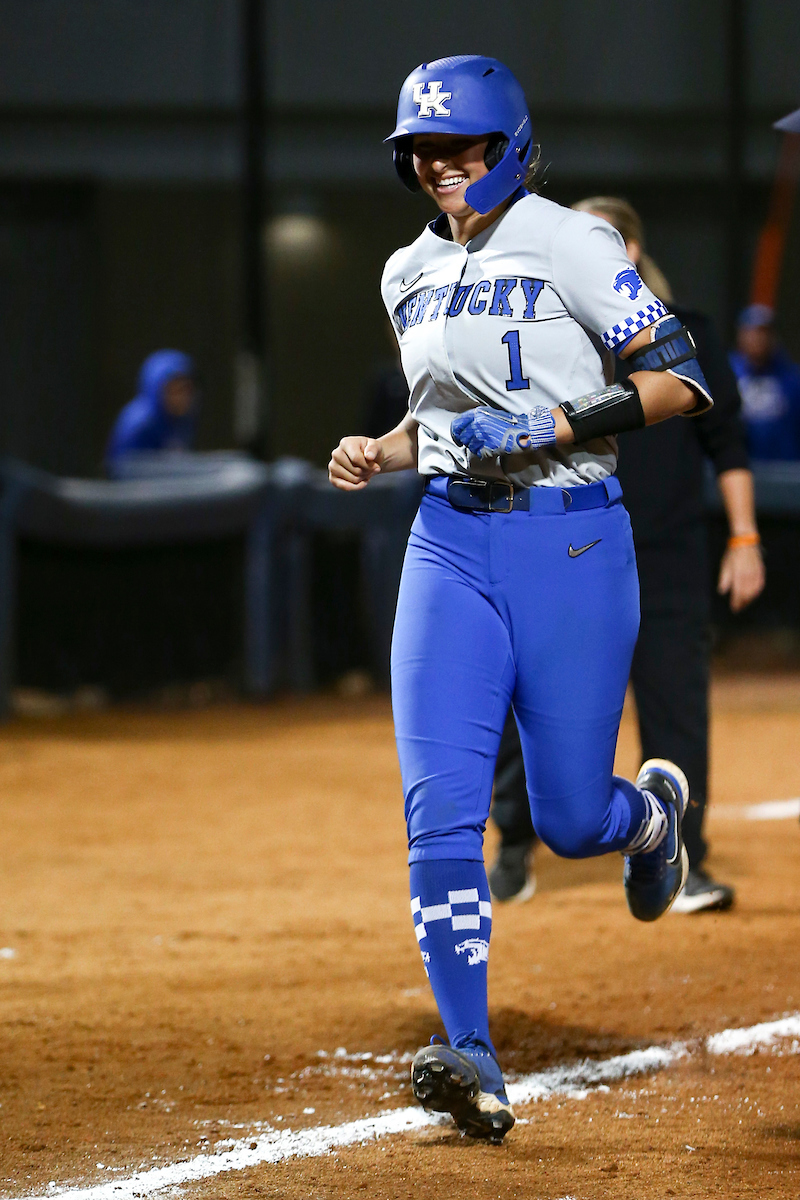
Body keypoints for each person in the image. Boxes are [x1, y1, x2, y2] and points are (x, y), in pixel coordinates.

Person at [329, 56, 714, 1144]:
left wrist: (560, 422)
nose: (438, 165)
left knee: (567, 819)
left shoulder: (571, 241)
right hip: (446, 543)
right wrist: (383, 449)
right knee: (440, 808)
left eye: (458, 146)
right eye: (421, 150)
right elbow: (439, 421)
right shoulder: (405, 270)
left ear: (509, 147)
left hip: (571, 540)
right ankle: (472, 1056)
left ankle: (648, 821)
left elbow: (681, 380)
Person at [489, 197, 766, 915]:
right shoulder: (541, 334)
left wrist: (744, 538)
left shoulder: (687, 335)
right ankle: (514, 844)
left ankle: (683, 856)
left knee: (676, 704)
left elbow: (727, 444)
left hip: (665, 553)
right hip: (561, 549)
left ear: (630, 253)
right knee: (529, 699)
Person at [106, 349, 197, 476]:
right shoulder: (140, 425)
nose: (182, 398)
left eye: (186, 390)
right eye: (174, 391)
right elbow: (126, 473)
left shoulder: (181, 419)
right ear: (156, 389)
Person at [729, 304, 800, 461]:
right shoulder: (727, 373)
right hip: (739, 465)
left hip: (784, 467)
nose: (758, 338)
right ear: (741, 335)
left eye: (764, 332)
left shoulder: (791, 377)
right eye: (752, 332)